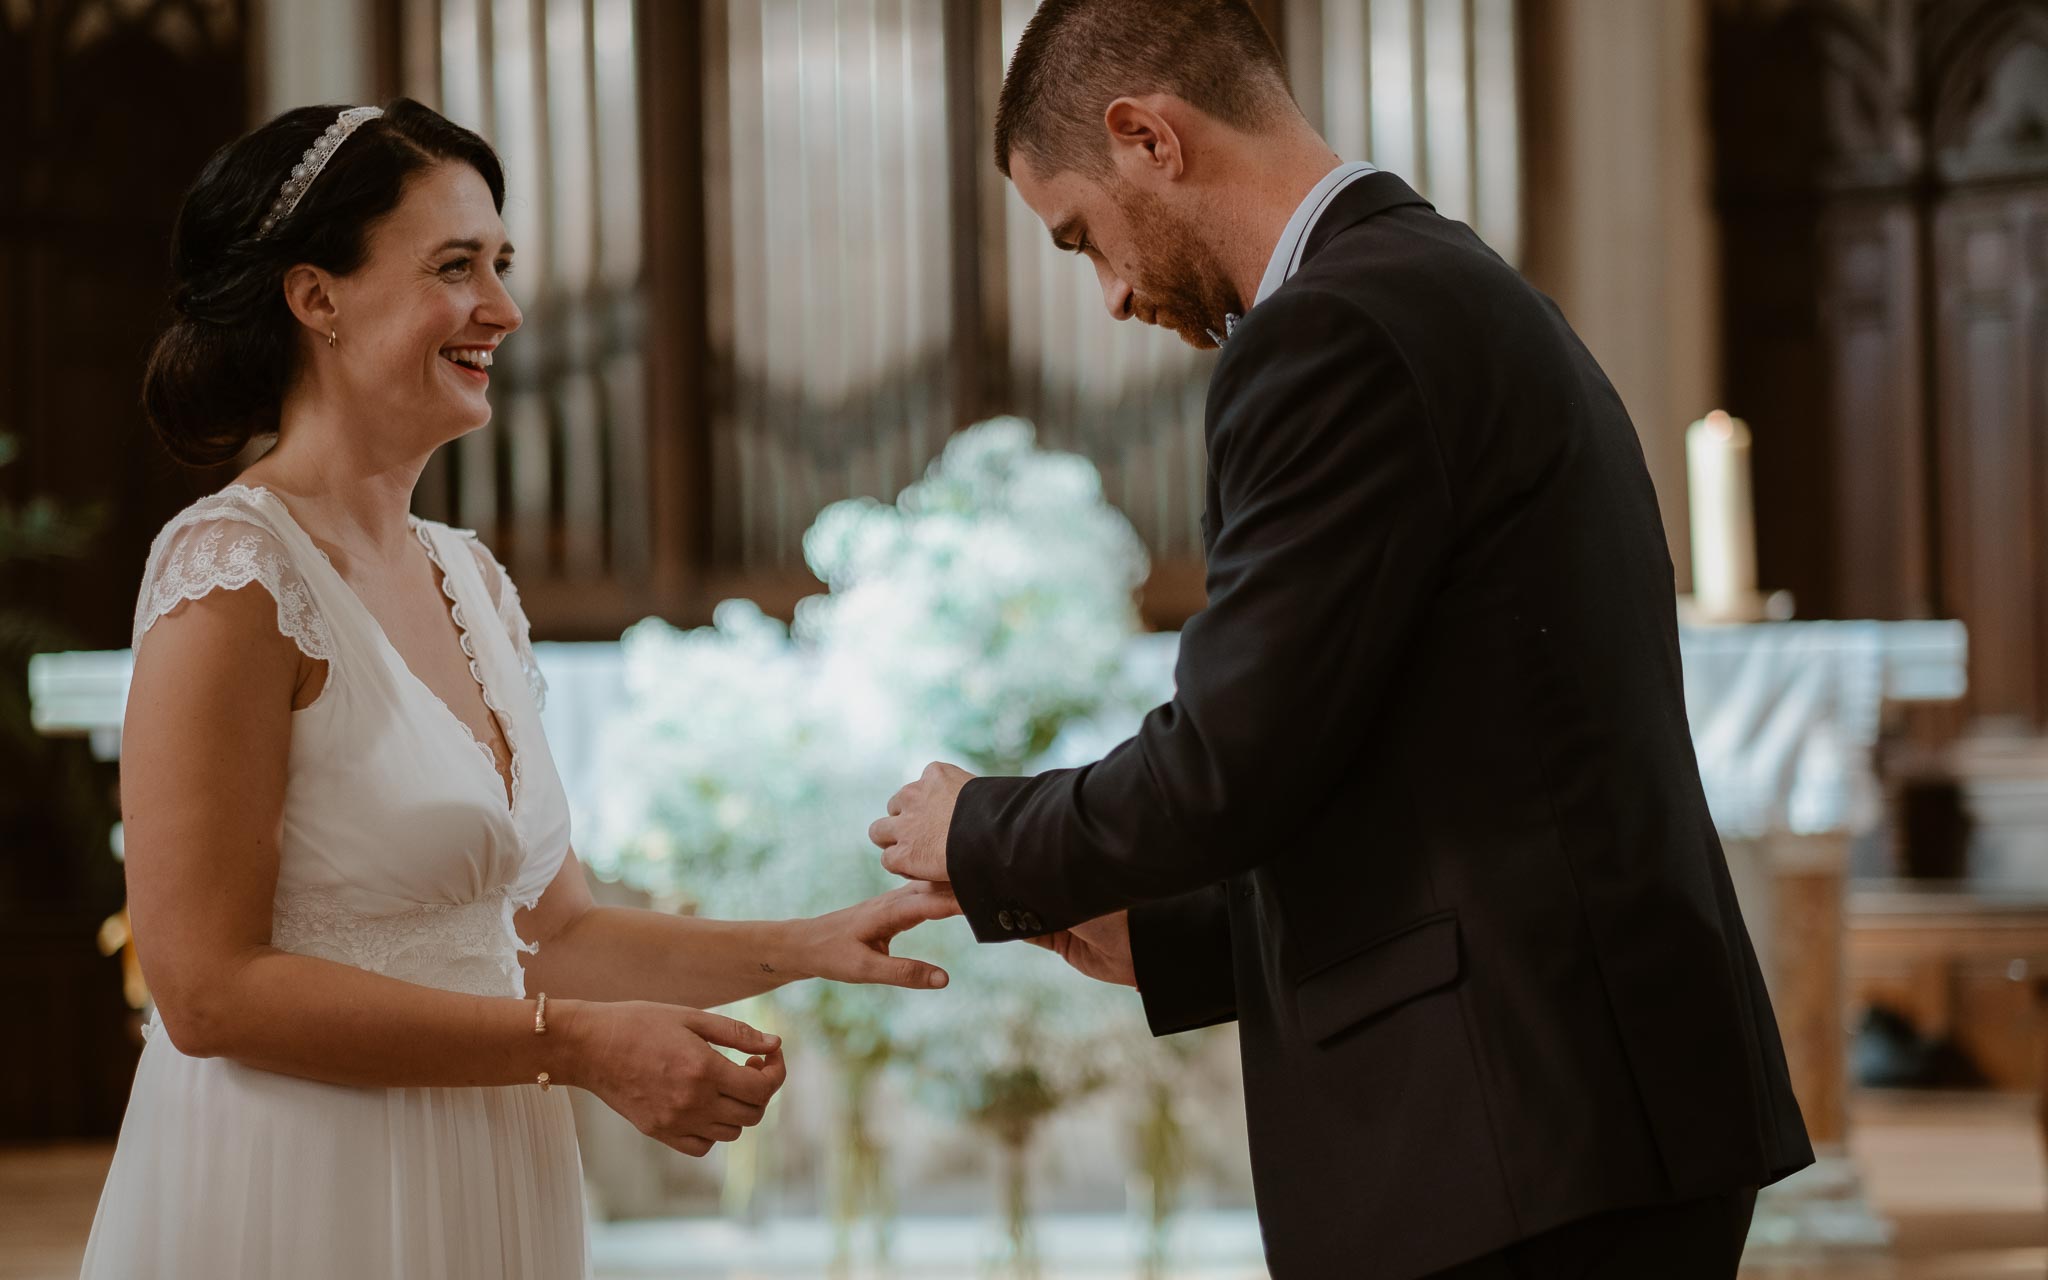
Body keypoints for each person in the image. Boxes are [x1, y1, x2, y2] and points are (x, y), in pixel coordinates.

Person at [869, 2, 1814, 1277]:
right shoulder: (1449, 281)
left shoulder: (1329, 334)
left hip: (1515, 1131)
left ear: (1146, 135)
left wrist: (979, 830)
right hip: (1578, 1101)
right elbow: (1432, 760)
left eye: (1083, 237)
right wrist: (1168, 932)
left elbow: (1229, 763)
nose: (1110, 295)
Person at [83, 98, 957, 1280]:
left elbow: (557, 933)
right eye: (455, 266)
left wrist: (808, 939)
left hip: (485, 1170)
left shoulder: (469, 579)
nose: (504, 308)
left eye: (500, 264)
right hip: (308, 1181)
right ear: (315, 297)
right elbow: (207, 991)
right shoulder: (232, 572)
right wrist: (577, 1045)